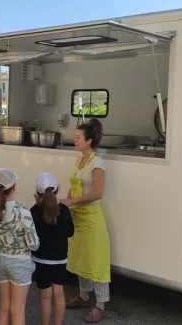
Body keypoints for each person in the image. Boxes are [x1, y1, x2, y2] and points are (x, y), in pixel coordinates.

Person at [61, 119, 111, 323]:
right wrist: (65, 204)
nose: (75, 140)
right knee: (80, 257)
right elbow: (73, 187)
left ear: (89, 141)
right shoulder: (79, 161)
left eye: (78, 137)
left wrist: (72, 201)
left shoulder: (97, 163)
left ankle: (100, 305)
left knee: (96, 261)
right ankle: (83, 295)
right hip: (78, 217)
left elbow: (98, 192)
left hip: (91, 218)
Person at [0, 168, 39, 325]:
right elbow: (34, 245)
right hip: (20, 263)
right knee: (17, 309)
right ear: (14, 185)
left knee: (4, 307)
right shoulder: (23, 211)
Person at [30, 172, 74, 325]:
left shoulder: (34, 211)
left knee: (45, 296)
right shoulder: (64, 210)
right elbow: (70, 232)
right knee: (59, 294)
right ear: (57, 190)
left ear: (37, 193)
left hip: (40, 260)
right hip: (60, 259)